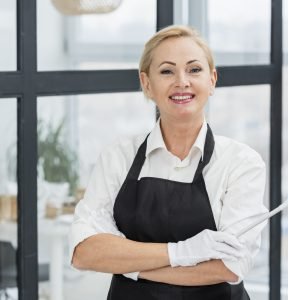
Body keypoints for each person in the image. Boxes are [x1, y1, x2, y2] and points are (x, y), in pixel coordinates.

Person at [69, 25, 268, 300]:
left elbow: (228, 268)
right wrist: (182, 252)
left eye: (194, 69)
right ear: (146, 84)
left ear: (212, 80)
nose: (182, 81)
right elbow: (85, 252)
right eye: (166, 71)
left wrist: (129, 265)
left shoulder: (241, 163)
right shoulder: (118, 157)